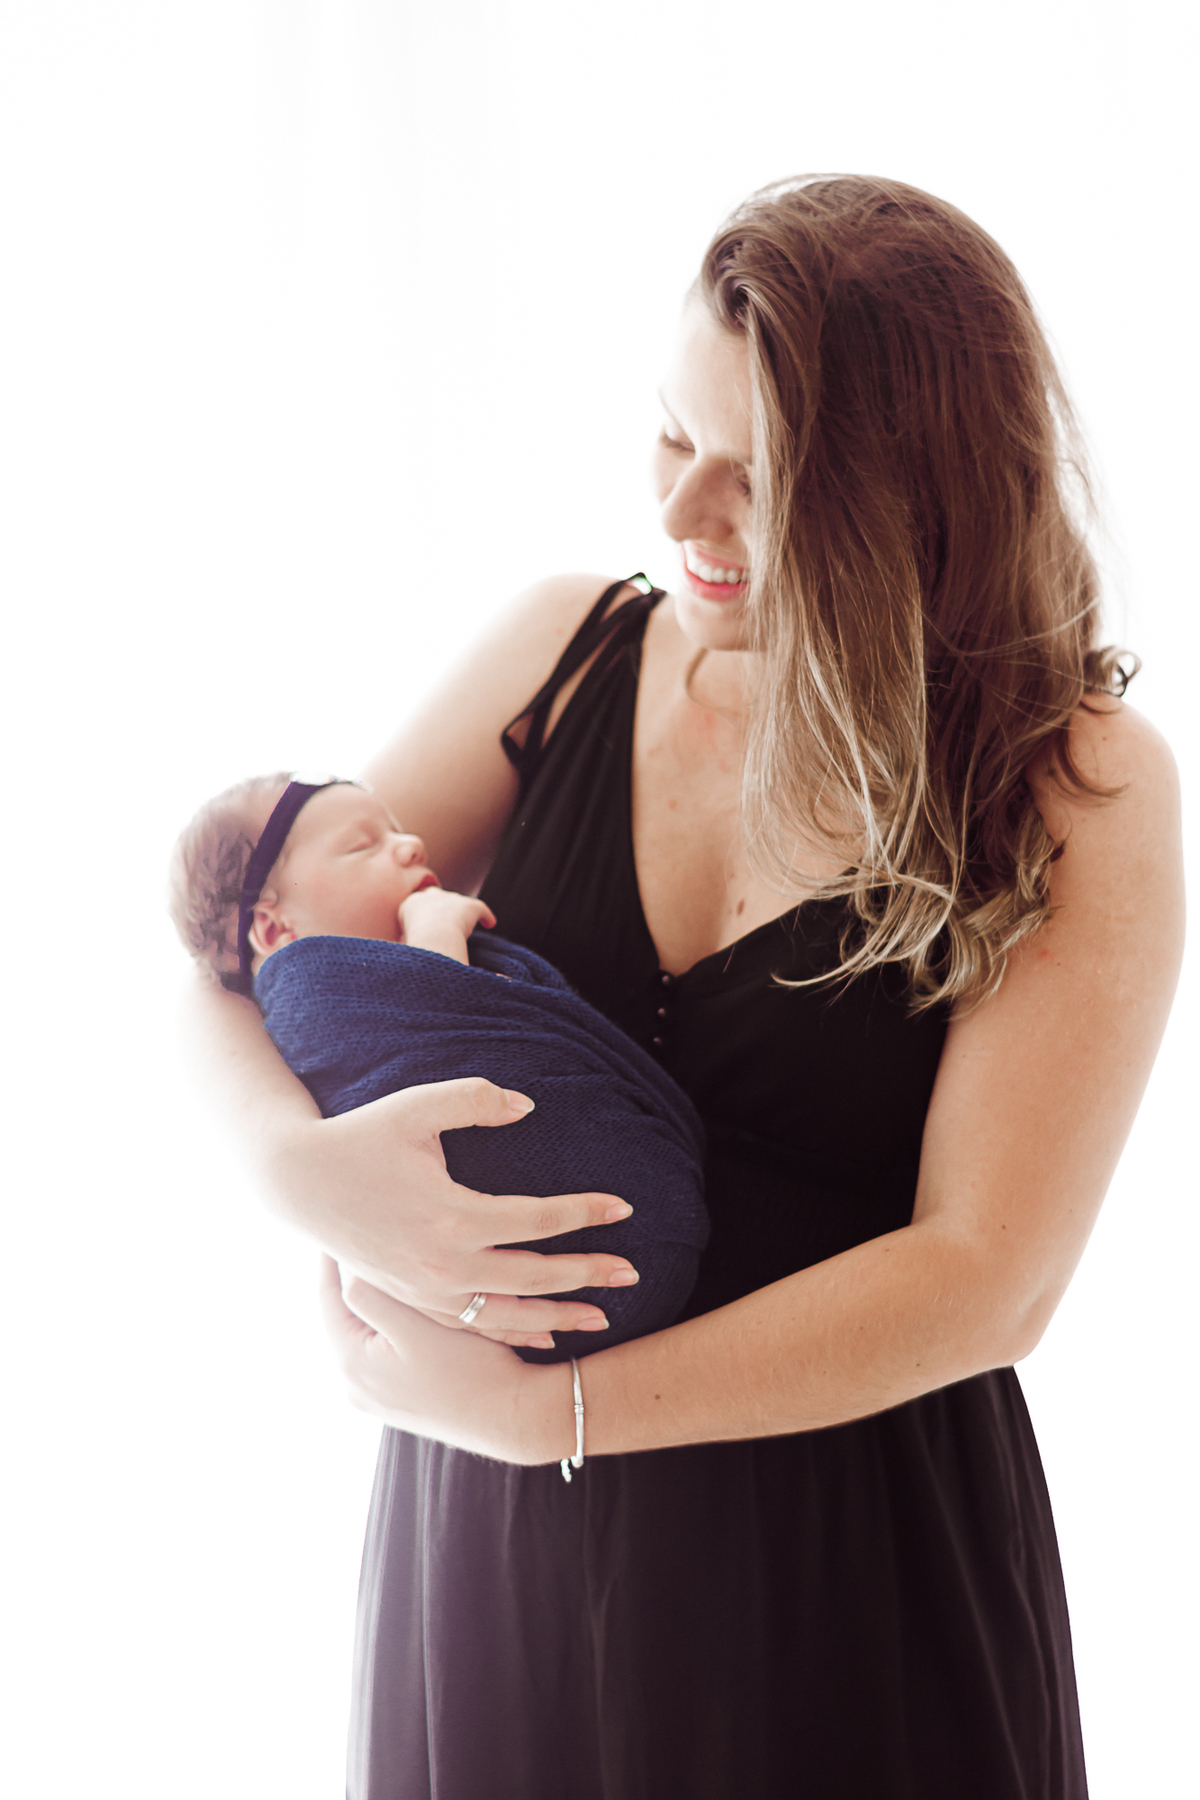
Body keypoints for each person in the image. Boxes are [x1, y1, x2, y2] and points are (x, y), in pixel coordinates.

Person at [189, 175, 1184, 1798]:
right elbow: (230, 943)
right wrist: (289, 1166)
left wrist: (554, 1418)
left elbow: (989, 1277)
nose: (682, 515)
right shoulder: (563, 652)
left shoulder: (1075, 781)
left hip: (843, 1571)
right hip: (489, 1564)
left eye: (762, 478)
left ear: (923, 499)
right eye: (671, 435)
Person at [168, 771, 707, 1365]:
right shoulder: (311, 998)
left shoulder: (360, 975)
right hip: (558, 1278)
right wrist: (435, 930)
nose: (412, 845)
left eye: (396, 831)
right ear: (273, 928)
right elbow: (433, 1044)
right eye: (363, 845)